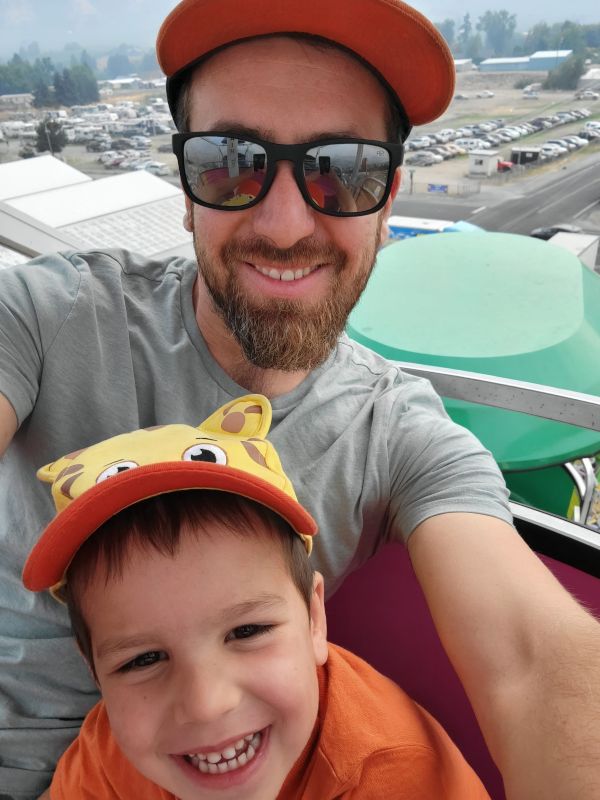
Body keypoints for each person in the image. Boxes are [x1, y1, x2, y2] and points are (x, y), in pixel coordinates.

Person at [0, 0, 598, 798]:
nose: (284, 226)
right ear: (184, 189)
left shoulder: (398, 435)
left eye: (344, 170)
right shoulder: (47, 317)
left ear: (387, 204)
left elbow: (531, 659)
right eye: (229, 161)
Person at [24, 394, 490, 800]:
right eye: (142, 660)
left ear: (314, 620)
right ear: (96, 672)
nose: (207, 703)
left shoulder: (395, 779)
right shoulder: (111, 750)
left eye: (246, 631)